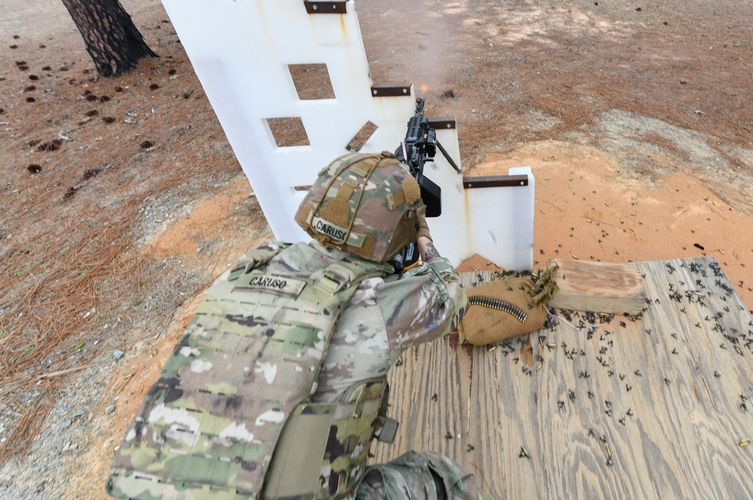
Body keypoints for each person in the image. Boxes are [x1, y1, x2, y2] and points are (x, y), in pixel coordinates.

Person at [107, 151, 482, 500]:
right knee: (439, 474)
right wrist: (423, 236)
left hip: (166, 483)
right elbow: (449, 292)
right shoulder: (375, 311)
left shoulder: (245, 271)